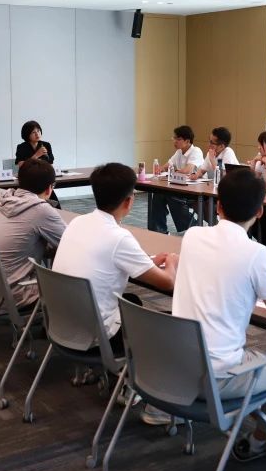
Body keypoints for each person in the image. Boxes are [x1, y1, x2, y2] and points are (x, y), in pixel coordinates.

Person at [173, 168, 266, 461]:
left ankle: (258, 420)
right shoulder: (257, 254)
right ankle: (261, 442)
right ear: (260, 211)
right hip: (218, 377)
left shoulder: (192, 236)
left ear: (218, 206)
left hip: (175, 368)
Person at [53, 163, 178, 425]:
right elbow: (167, 282)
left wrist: (148, 261)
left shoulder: (77, 223)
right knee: (165, 323)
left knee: (132, 301)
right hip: (95, 335)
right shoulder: (119, 237)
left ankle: (120, 376)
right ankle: (143, 392)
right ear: (129, 201)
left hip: (62, 324)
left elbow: (111, 259)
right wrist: (172, 261)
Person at [0, 159, 65, 306]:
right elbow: (71, 244)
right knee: (77, 291)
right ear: (49, 189)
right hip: (15, 294)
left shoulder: (6, 202)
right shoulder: (41, 210)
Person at [147, 125, 204, 234]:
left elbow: (187, 170)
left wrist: (173, 172)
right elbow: (167, 166)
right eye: (174, 138)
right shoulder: (179, 152)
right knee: (159, 193)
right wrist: (160, 169)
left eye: (178, 139)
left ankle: (193, 227)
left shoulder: (196, 151)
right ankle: (159, 231)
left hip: (195, 190)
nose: (175, 141)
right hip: (180, 187)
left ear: (187, 141)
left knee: (171, 195)